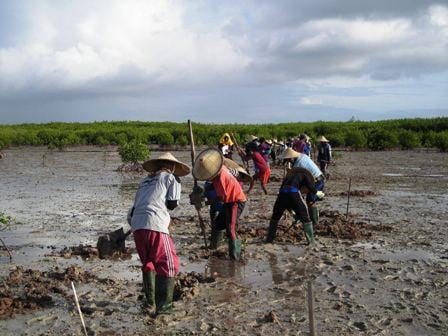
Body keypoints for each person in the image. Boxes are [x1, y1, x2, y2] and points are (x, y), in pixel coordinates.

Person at [127, 152, 190, 315]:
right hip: (155, 223)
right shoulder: (171, 178)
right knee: (169, 264)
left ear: (156, 166)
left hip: (137, 225)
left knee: (149, 262)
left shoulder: (144, 181)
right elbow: (172, 204)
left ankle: (150, 303)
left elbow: (134, 208)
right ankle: (164, 307)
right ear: (172, 166)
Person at [192, 149, 247, 261]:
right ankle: (214, 247)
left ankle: (235, 257)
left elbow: (220, 198)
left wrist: (205, 203)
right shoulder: (219, 171)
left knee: (230, 228)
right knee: (217, 224)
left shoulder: (221, 177)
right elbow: (213, 191)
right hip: (228, 202)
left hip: (236, 201)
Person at [265, 167, 323, 245]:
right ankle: (311, 241)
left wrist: (293, 213)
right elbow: (310, 186)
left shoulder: (288, 177)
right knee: (306, 218)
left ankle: (269, 239)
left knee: (275, 217)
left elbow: (285, 197)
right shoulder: (304, 175)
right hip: (293, 194)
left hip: (281, 195)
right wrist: (317, 193)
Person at [283, 148, 326, 229]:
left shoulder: (299, 164)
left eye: (288, 160)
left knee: (310, 201)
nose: (288, 162)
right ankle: (308, 219)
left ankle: (314, 222)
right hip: (313, 179)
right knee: (304, 200)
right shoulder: (302, 156)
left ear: (292, 158)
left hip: (317, 181)